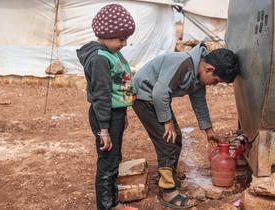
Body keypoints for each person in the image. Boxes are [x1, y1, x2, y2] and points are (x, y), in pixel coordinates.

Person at [132, 43, 239, 209]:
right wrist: (167, 122)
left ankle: (168, 175)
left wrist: (208, 130)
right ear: (209, 69)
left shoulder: (198, 72)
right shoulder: (184, 64)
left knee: (177, 138)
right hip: (144, 96)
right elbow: (160, 93)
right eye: (216, 81)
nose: (214, 85)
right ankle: (168, 191)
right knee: (167, 142)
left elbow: (199, 102)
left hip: (156, 99)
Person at [76, 4, 137, 210]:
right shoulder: (100, 59)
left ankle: (114, 203)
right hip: (105, 116)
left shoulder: (111, 52)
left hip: (114, 114)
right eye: (121, 39)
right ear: (107, 35)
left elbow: (117, 88)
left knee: (114, 158)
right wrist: (104, 130)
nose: (124, 43)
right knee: (107, 162)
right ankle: (106, 206)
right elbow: (101, 96)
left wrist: (124, 111)